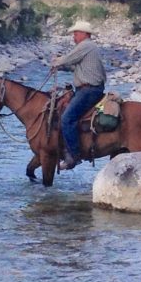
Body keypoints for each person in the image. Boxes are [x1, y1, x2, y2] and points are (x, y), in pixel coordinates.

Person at [51, 19, 107, 170]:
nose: (73, 36)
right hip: (88, 89)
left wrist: (56, 62)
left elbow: (68, 59)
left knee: (67, 118)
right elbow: (74, 66)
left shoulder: (86, 45)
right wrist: (61, 67)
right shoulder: (87, 48)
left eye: (75, 33)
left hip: (89, 90)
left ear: (83, 34)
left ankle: (74, 156)